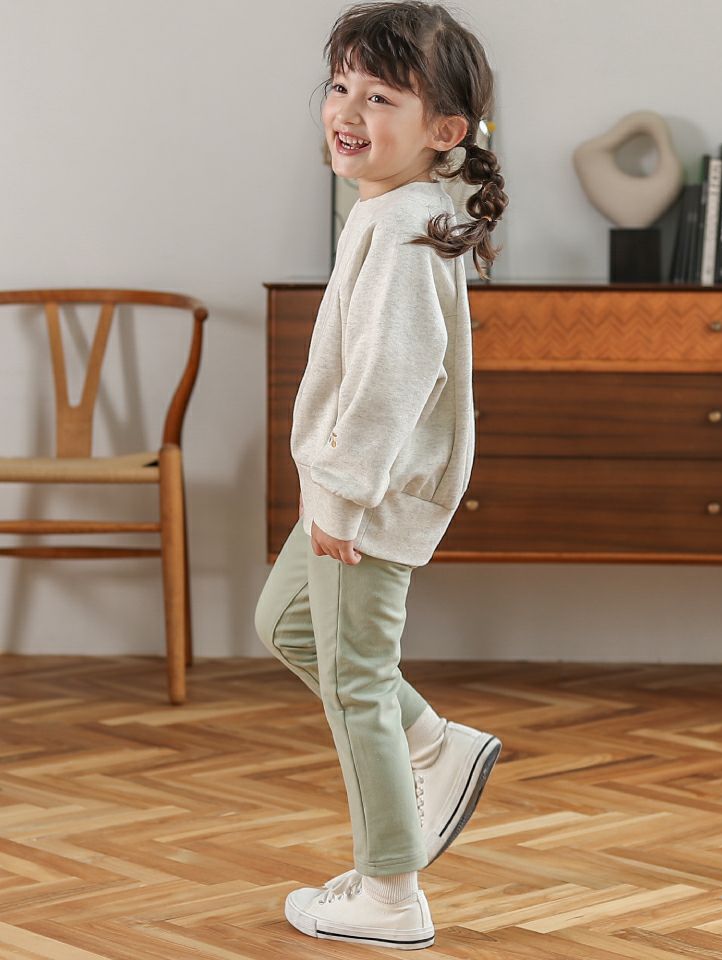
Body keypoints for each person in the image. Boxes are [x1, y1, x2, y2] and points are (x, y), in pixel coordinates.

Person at [254, 0, 509, 949]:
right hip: (353, 484)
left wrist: (343, 497)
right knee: (285, 623)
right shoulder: (392, 208)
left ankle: (390, 893)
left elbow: (392, 379)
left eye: (380, 96)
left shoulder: (403, 227)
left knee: (355, 681)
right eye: (340, 86)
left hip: (368, 493)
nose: (347, 110)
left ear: (444, 130)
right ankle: (436, 743)